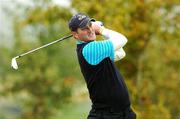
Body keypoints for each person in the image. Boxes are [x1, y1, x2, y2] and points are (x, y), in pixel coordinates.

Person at [68, 13, 136, 119]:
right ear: (75, 34)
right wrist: (101, 30)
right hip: (106, 115)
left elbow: (121, 53)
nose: (90, 30)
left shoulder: (97, 50)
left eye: (90, 25)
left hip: (123, 113)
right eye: (84, 28)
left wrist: (101, 32)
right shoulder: (89, 49)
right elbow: (122, 40)